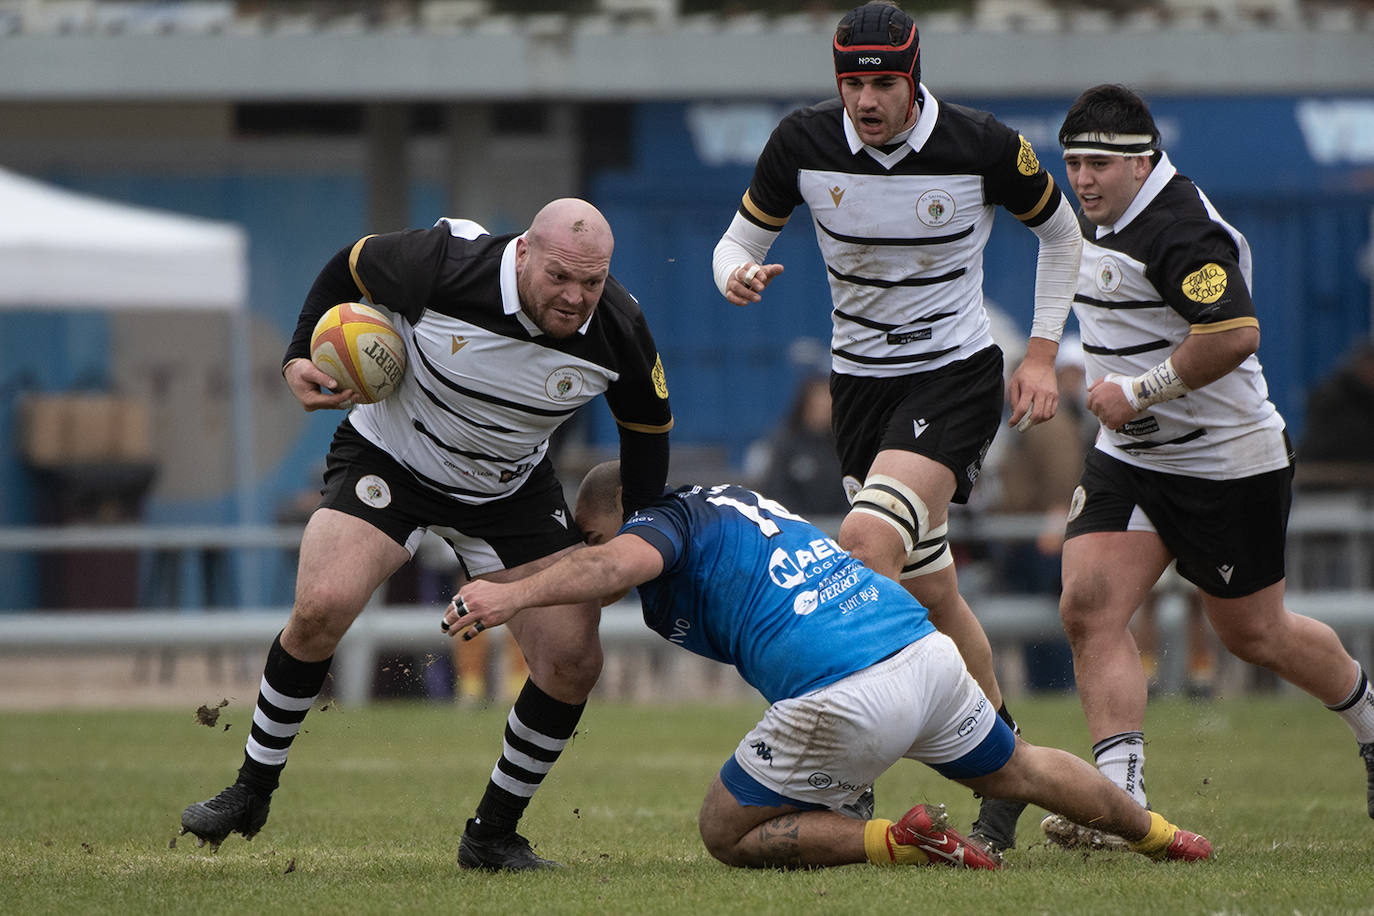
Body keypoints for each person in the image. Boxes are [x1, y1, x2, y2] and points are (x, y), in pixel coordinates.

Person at [178, 198, 674, 870]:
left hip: (508, 491)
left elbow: (648, 433)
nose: (574, 297)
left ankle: (492, 836)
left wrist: (641, 537)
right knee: (322, 606)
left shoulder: (620, 326)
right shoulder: (443, 264)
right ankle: (250, 789)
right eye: (559, 276)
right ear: (523, 252)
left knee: (572, 661)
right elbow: (349, 265)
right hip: (392, 458)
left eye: (592, 281)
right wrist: (296, 356)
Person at [710, 0, 1083, 853]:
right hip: (860, 391)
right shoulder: (802, 143)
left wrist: (1039, 355)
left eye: (883, 83)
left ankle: (842, 777)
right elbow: (734, 242)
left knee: (865, 546)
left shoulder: (981, 144)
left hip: (954, 377)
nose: (867, 99)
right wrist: (734, 274)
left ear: (914, 79)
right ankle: (1005, 770)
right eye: (853, 83)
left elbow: (1063, 236)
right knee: (931, 590)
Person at [443, 462, 1212, 869]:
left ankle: (897, 841)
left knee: (723, 830)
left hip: (848, 693)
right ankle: (1160, 835)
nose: (586, 554)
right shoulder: (727, 499)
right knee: (1022, 767)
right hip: (922, 652)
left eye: (589, 536)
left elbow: (611, 565)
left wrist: (512, 597)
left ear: (619, 516)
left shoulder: (660, 524)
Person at [1041, 84, 1374, 851]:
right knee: (1088, 604)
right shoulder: (1092, 215)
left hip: (1224, 461)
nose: (1082, 178)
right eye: (1074, 162)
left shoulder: (1182, 230)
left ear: (1143, 161)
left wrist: (1137, 390)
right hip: (1130, 455)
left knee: (1255, 635)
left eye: (1098, 164)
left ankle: (1369, 722)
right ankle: (1120, 806)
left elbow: (1234, 335)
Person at [748, 373, 850, 519]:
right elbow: (776, 490)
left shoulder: (845, 444)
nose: (822, 409)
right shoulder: (785, 443)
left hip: (838, 524)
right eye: (816, 403)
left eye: (827, 403)